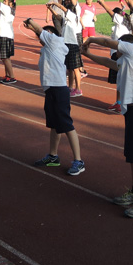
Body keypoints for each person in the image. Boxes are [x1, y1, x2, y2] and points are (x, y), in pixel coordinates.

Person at [81, 33, 133, 218]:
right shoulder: (127, 61)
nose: (116, 49)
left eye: (119, 46)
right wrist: (88, 54)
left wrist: (90, 39)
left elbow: (107, 42)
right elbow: (108, 63)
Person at [23, 18, 85, 176]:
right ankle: (53, 156)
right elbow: (39, 32)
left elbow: (39, 30)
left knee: (66, 125)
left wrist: (29, 22)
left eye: (45, 33)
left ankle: (78, 160)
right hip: (51, 90)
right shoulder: (47, 48)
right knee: (55, 125)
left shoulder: (55, 41)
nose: (41, 37)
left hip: (58, 90)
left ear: (51, 34)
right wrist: (32, 29)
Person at [95, 0, 132, 113]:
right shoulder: (126, 23)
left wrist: (102, 3)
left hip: (118, 54)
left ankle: (120, 103)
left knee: (120, 80)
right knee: (122, 80)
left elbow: (110, 12)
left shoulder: (120, 21)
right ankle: (120, 102)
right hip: (122, 53)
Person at [46, 0, 84, 97]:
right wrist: (50, 9)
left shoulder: (75, 12)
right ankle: (70, 87)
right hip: (66, 43)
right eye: (65, 0)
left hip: (73, 44)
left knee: (76, 68)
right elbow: (59, 18)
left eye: (69, 0)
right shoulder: (67, 17)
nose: (67, 1)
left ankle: (78, 89)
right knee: (69, 68)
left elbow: (70, 3)